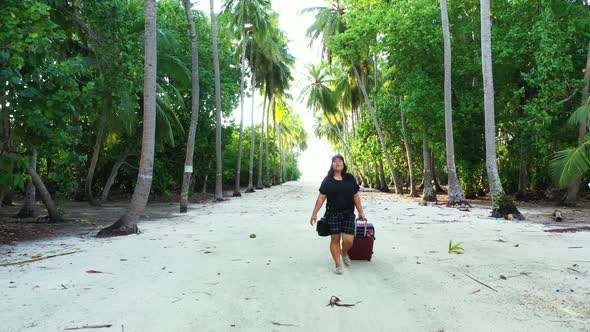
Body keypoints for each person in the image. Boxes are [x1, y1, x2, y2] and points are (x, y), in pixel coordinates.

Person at [310, 154, 366, 275]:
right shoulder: (327, 180)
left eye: (340, 160)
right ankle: (338, 264)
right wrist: (314, 213)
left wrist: (361, 211)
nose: (337, 163)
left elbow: (355, 196)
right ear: (332, 165)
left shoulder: (350, 178)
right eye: (334, 161)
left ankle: (344, 252)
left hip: (348, 213)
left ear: (343, 164)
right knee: (335, 239)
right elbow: (321, 197)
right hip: (332, 214)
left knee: (348, 240)